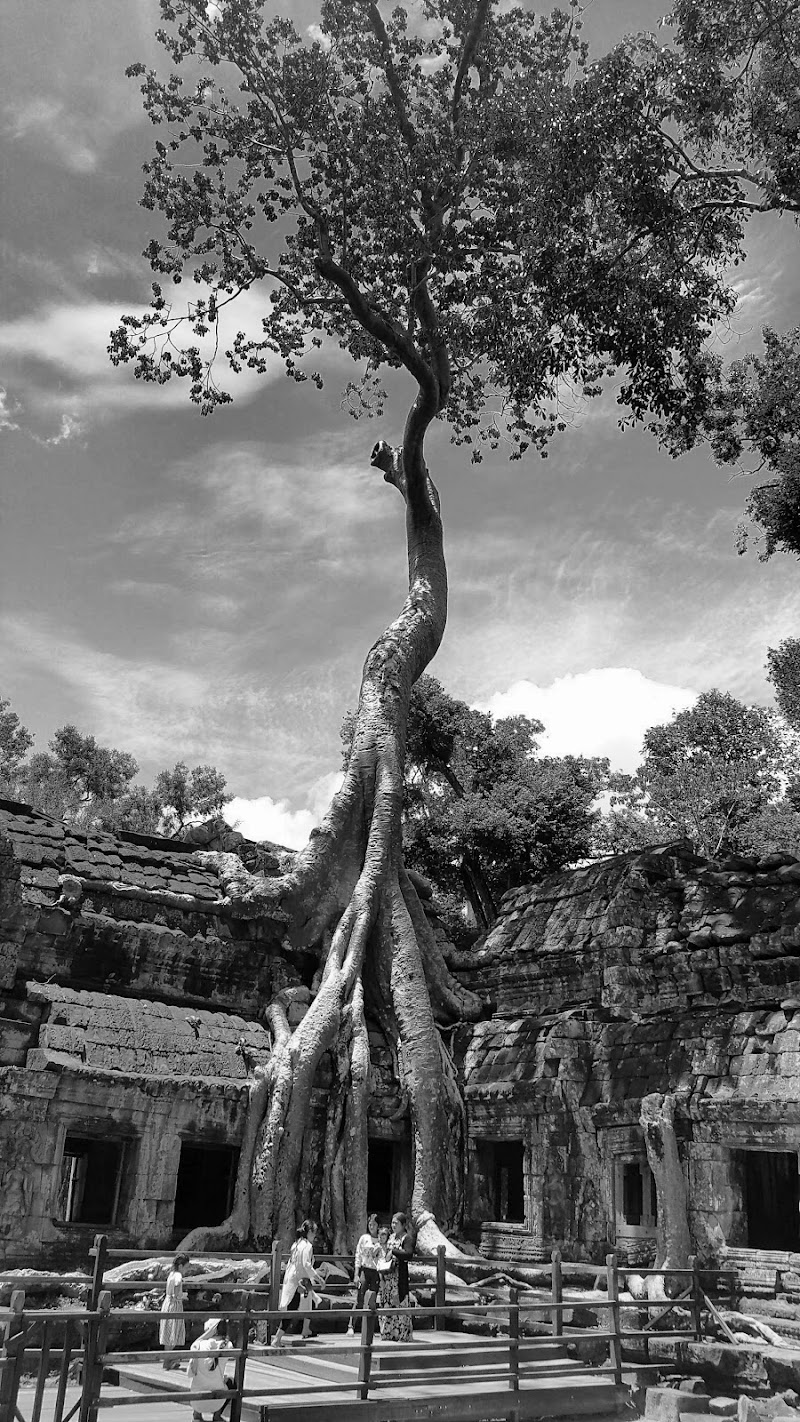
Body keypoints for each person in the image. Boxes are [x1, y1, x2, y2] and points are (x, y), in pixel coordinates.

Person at [271, 1220, 323, 1349]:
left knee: (293, 1306)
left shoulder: (296, 1244)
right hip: (297, 1279)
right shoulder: (307, 1246)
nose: (315, 1235)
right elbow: (306, 1264)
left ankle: (300, 1331)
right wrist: (318, 1278)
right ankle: (277, 1339)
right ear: (310, 1232)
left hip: (292, 1278)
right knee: (292, 1308)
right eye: (314, 1232)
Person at [187, 1316, 234, 1422]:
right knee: (230, 1380)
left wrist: (206, 1334)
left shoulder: (197, 1345)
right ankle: (217, 1415)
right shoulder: (228, 1345)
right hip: (217, 1402)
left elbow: (190, 1374)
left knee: (196, 1377)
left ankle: (197, 1414)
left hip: (196, 1402)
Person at [377, 1214, 413, 1342]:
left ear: (403, 1225)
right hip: (388, 1277)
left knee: (400, 1304)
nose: (393, 1225)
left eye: (396, 1223)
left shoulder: (407, 1238)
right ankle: (388, 1333)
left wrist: (394, 1252)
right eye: (392, 1223)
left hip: (399, 1278)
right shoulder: (391, 1237)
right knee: (387, 1303)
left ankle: (402, 1334)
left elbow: (408, 1254)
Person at [346, 1213, 380, 1336]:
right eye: (370, 1224)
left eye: (374, 1224)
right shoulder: (364, 1238)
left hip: (376, 1272)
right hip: (365, 1270)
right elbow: (358, 1256)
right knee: (360, 1298)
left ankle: (369, 1327)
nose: (372, 1226)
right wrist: (356, 1273)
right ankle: (351, 1325)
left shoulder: (381, 1239)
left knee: (373, 1299)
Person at [159, 1253, 188, 1369]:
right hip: (174, 1304)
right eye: (186, 1267)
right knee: (173, 1333)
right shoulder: (178, 1276)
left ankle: (169, 1359)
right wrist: (182, 1295)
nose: (187, 1270)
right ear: (181, 1266)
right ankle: (167, 1361)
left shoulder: (171, 1274)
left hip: (167, 1303)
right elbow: (177, 1287)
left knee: (169, 1332)